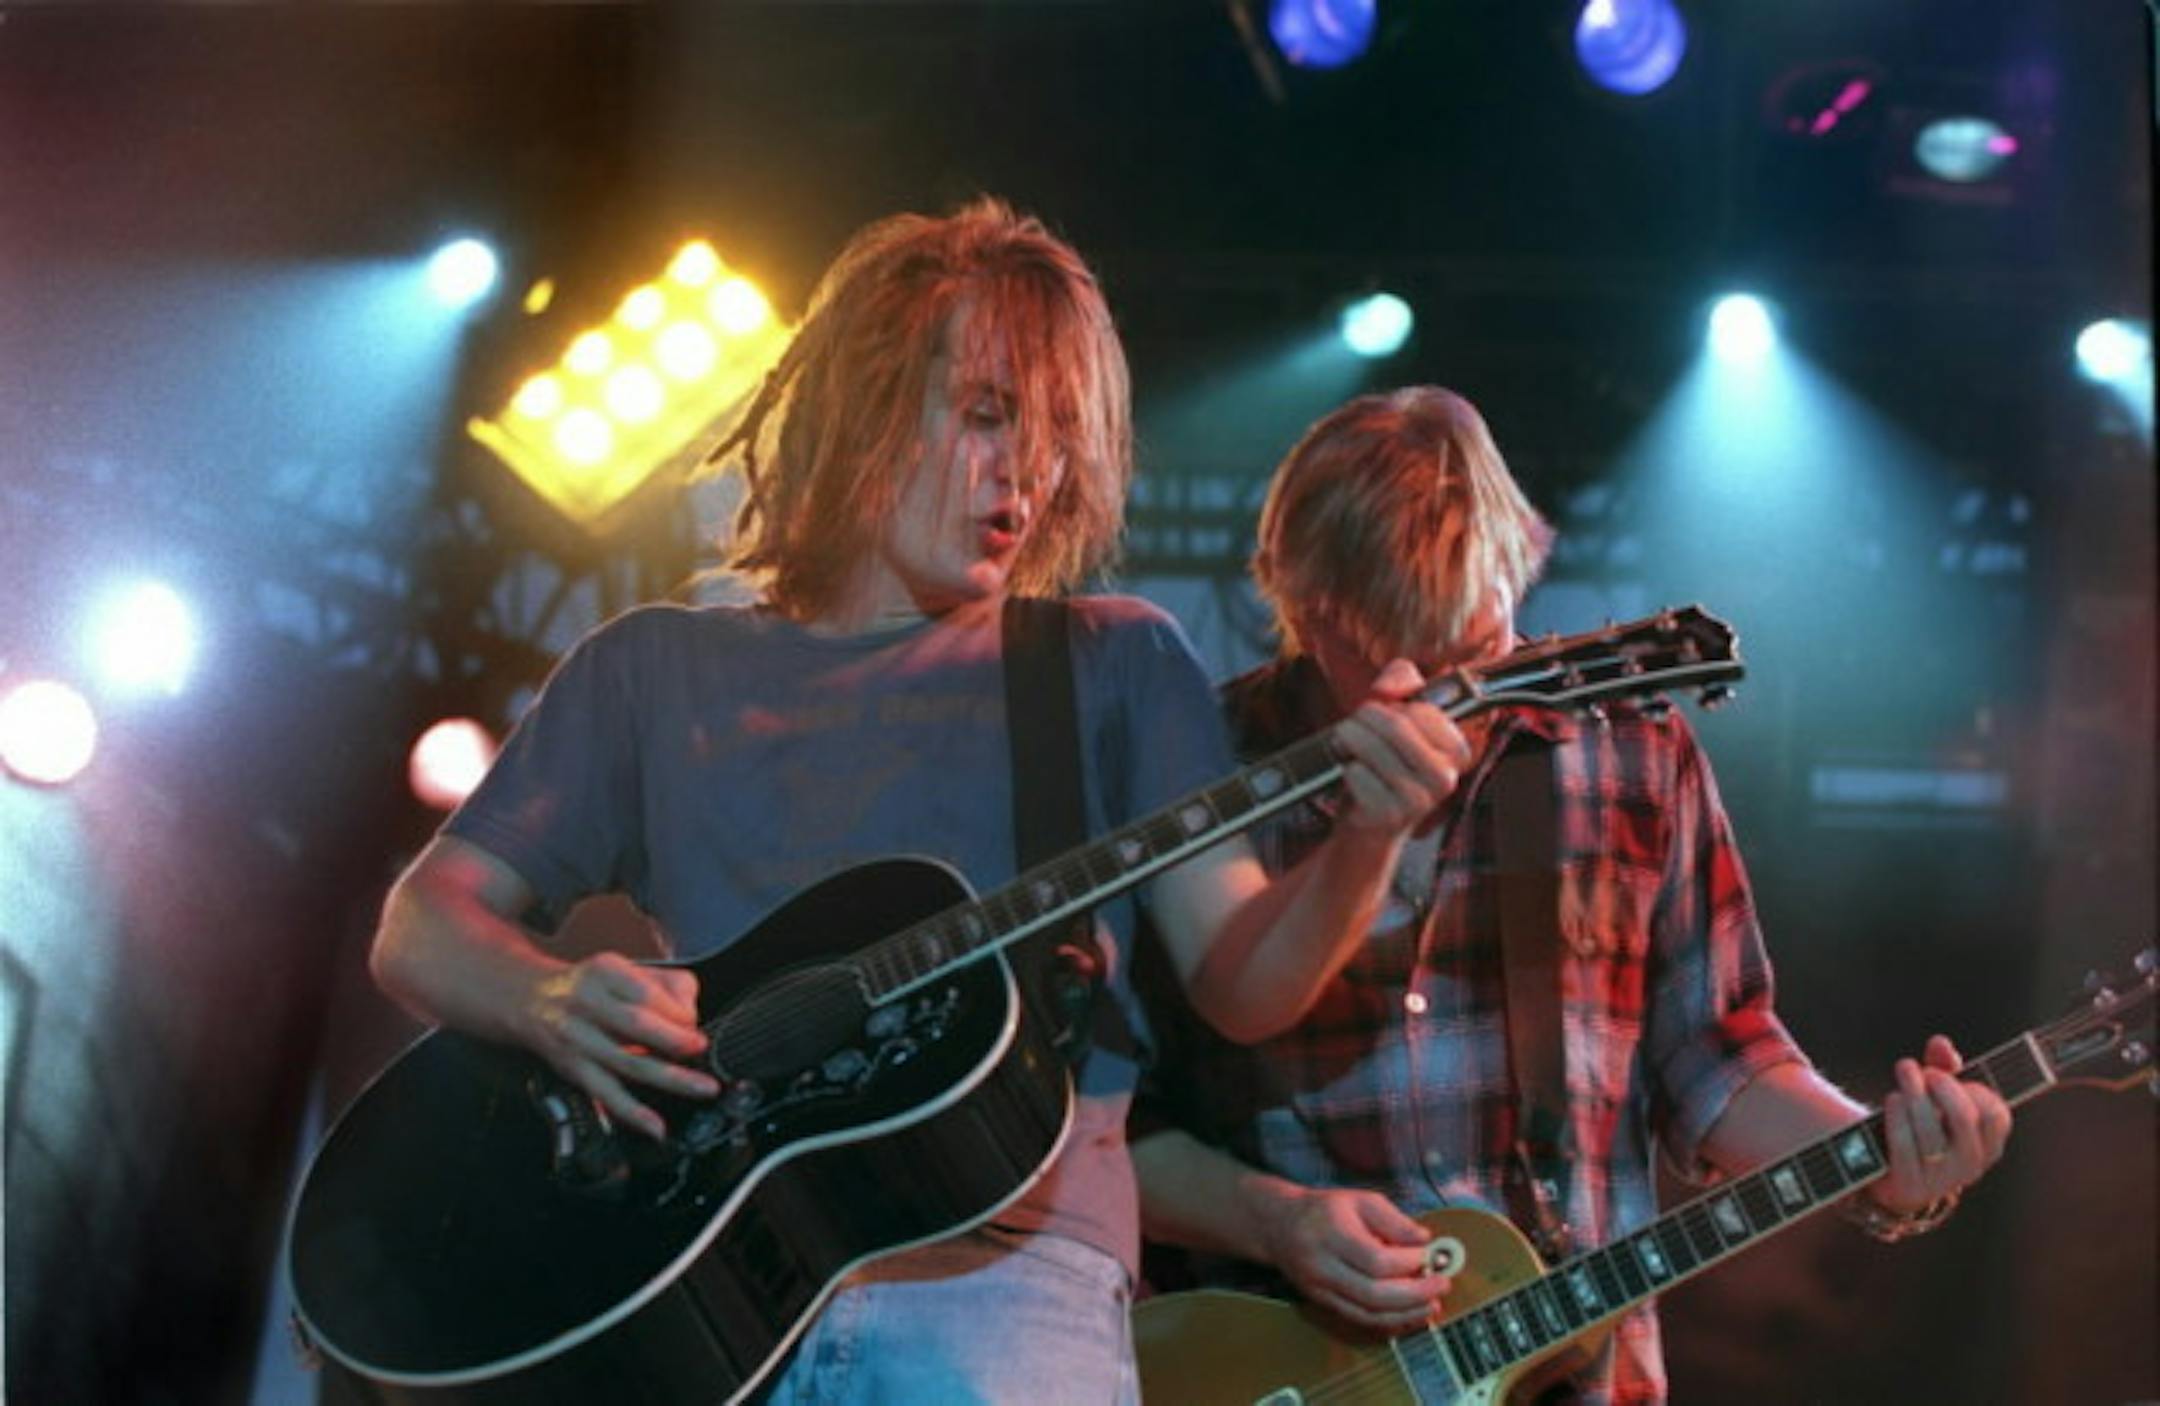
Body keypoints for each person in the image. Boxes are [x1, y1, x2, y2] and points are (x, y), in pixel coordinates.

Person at [367, 202, 1471, 1403]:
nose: (1026, 474)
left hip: (1009, 1291)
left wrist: (1372, 833)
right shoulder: (651, 669)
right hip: (711, 1294)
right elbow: (422, 923)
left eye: (1052, 439)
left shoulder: (1111, 663)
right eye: (989, 416)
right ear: (871, 399)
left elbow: (1245, 981)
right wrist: (546, 994)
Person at [1130, 386, 2014, 1405]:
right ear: (1305, 600)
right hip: (1282, 1374)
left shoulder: (1632, 751)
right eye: (1394, 659)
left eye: (1474, 657)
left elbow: (1722, 1057)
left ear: (1515, 570)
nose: (1442, 707)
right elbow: (1114, 1124)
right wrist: (1276, 1216)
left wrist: (1883, 1161)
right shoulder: (1204, 770)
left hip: (1574, 1372)